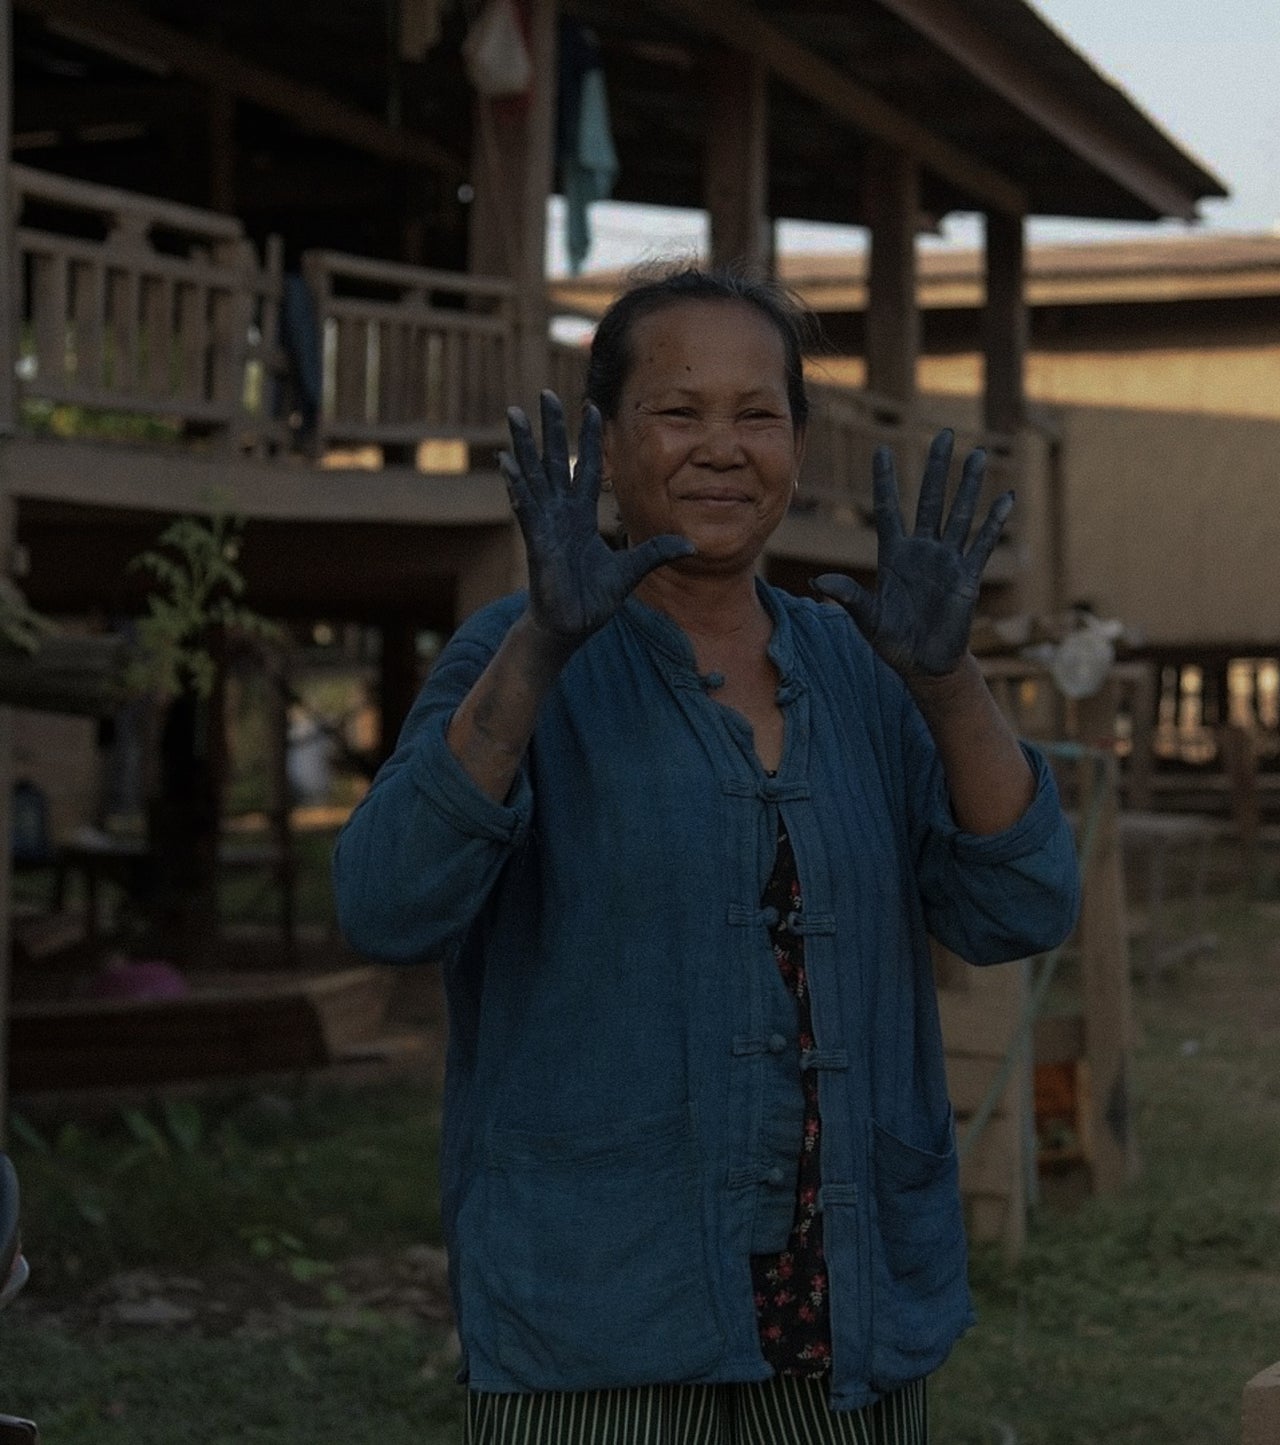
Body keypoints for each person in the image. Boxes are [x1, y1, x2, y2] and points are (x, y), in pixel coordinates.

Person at [332, 268, 1080, 1443]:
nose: (719, 448)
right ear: (606, 444)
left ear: (797, 439)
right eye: (677, 412)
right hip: (598, 1307)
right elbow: (384, 904)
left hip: (845, 1303)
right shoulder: (512, 653)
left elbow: (1024, 907)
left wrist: (945, 681)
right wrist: (540, 645)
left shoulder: (862, 667)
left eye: (756, 414)